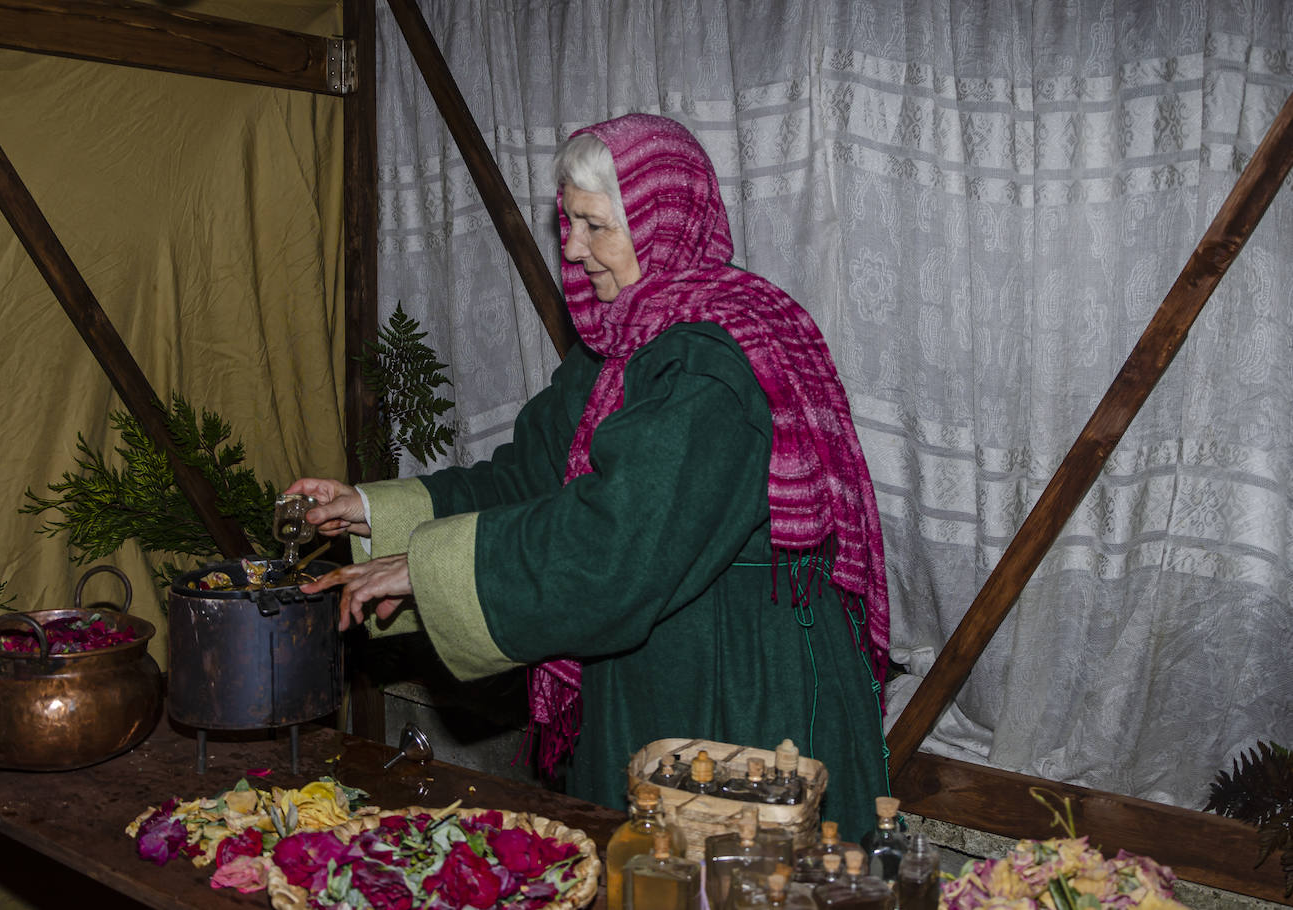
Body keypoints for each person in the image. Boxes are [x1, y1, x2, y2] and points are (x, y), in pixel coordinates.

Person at [287, 113, 889, 837]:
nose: (572, 248)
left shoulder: (710, 364)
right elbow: (531, 478)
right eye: (568, 222)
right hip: (657, 664)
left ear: (662, 225)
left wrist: (427, 568)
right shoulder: (620, 345)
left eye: (595, 226)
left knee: (721, 872)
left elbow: (616, 541)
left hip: (741, 687)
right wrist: (370, 510)